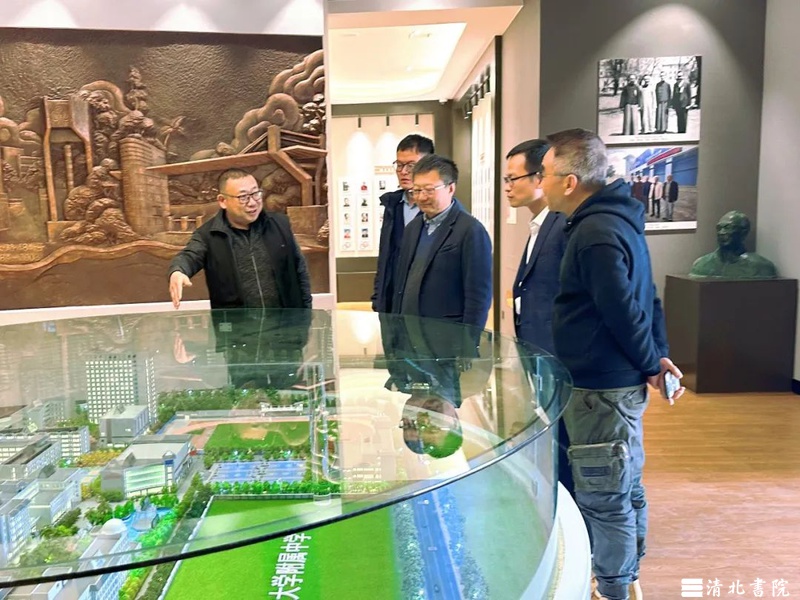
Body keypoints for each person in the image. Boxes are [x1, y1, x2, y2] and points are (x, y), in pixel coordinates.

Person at [540, 128, 685, 600]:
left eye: (545, 174)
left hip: (602, 387)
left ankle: (614, 587)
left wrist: (650, 361)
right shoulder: (614, 220)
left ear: (569, 182)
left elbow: (621, 308)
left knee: (604, 495)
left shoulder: (595, 232)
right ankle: (627, 573)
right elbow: (649, 298)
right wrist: (655, 356)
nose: (540, 183)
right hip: (611, 381)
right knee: (624, 484)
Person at [505, 138, 573, 496]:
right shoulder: (540, 225)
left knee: (567, 444)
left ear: (538, 178)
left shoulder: (561, 226)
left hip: (558, 355)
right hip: (540, 355)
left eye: (513, 178)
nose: (507, 187)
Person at [168, 168, 312, 310]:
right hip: (235, 324)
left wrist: (306, 314)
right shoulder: (208, 235)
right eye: (243, 197)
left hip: (286, 322)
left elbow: (300, 271)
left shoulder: (280, 224)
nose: (253, 203)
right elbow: (189, 256)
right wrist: (178, 271)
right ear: (223, 201)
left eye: (255, 193)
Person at [392, 155, 492, 335]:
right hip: (409, 332)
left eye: (429, 190)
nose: (422, 197)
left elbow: (478, 298)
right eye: (417, 190)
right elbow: (402, 282)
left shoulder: (471, 230)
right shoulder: (413, 228)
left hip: (447, 336)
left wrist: (469, 342)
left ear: (450, 188)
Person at [372, 134, 434, 313]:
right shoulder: (393, 206)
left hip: (425, 305)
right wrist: (378, 298)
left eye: (411, 166)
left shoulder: (439, 210)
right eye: (399, 165)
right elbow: (385, 256)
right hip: (393, 302)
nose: (403, 171)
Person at [689, 211, 778, 279]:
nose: (721, 232)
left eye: (728, 228)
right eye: (719, 228)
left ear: (743, 232)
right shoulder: (701, 265)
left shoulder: (761, 267)